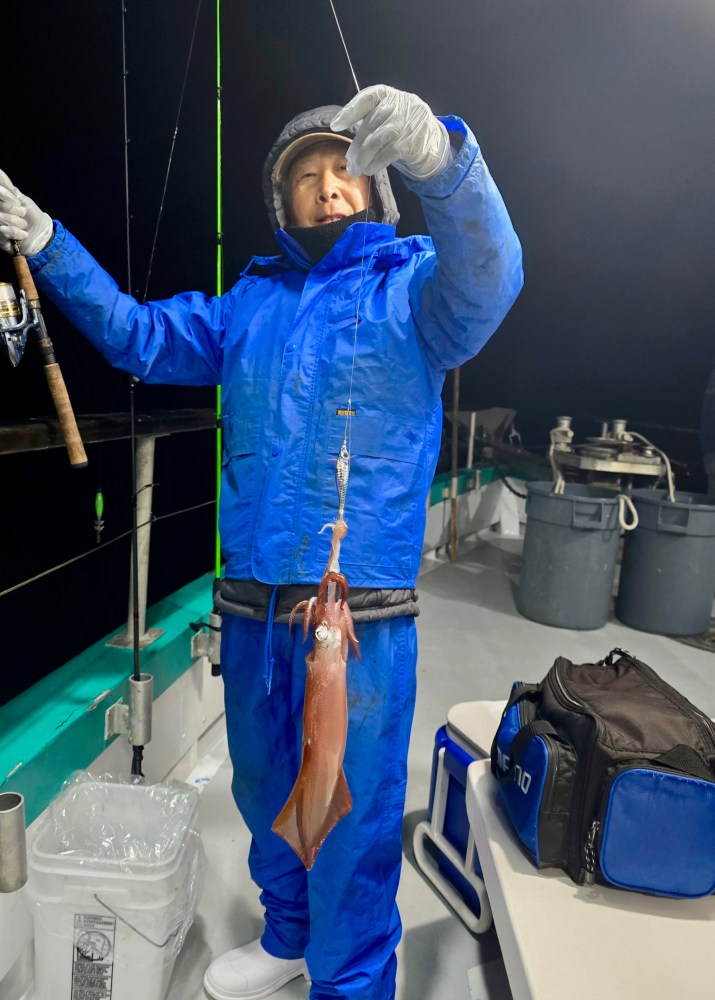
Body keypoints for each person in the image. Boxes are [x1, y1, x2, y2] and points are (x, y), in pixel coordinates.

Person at [0, 84, 523, 1000]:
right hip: (247, 607)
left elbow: (494, 275)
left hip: (356, 618)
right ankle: (288, 935)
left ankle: (351, 982)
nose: (326, 188)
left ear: (377, 186)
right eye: (304, 178)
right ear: (278, 203)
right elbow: (136, 337)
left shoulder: (420, 289)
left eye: (346, 170)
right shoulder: (246, 307)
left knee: (350, 818)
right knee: (261, 790)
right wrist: (48, 240)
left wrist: (443, 159)